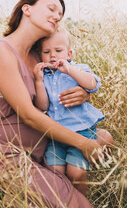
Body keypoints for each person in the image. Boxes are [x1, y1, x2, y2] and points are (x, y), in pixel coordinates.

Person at [0, 0, 103, 208]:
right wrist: (83, 143)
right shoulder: (1, 51)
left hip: (45, 148)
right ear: (27, 9)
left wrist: (85, 93)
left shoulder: (41, 56)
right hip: (12, 154)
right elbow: (29, 114)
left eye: (60, 15)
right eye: (51, 8)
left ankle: (6, 195)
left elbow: (66, 84)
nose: (57, 16)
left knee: (104, 136)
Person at [33, 27, 113, 195]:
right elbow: (42, 107)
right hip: (57, 135)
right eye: (46, 52)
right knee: (56, 172)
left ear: (69, 54)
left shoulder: (78, 69)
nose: (53, 55)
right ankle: (65, 200)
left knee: (76, 172)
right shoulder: (45, 76)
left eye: (58, 50)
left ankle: (82, 201)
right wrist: (39, 82)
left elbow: (92, 84)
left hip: (82, 132)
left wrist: (69, 69)